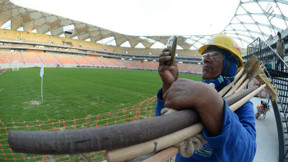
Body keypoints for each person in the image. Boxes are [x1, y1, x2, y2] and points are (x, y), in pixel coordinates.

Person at [155, 34, 256, 162]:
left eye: (214, 54)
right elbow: (163, 131)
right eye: (204, 55)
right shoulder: (194, 94)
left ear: (231, 65)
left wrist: (213, 104)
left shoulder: (243, 104)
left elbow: (246, 156)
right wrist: (167, 88)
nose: (206, 59)